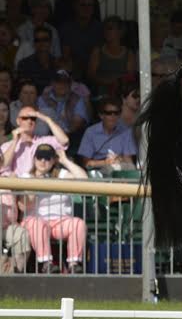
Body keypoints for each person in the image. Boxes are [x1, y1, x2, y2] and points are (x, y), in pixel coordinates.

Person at [20, 143, 88, 273]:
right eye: (40, 158)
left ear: (54, 160)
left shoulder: (61, 174)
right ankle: (46, 263)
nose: (43, 161)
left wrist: (65, 161)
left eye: (48, 158)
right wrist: (37, 182)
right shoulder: (26, 177)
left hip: (60, 222)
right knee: (37, 224)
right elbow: (25, 206)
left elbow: (84, 179)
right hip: (35, 221)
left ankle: (74, 264)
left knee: (78, 224)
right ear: (34, 159)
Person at [0, 105, 69, 177]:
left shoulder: (44, 141)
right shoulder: (7, 145)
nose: (29, 121)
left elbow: (64, 140)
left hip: (38, 185)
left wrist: (47, 119)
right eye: (25, 118)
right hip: (16, 185)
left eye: (33, 118)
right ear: (18, 121)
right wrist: (15, 141)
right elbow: (3, 166)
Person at [77, 97, 137, 173]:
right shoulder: (91, 132)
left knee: (131, 168)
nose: (113, 116)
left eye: (116, 113)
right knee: (109, 169)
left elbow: (128, 160)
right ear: (101, 115)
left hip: (119, 169)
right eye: (109, 113)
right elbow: (86, 163)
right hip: (97, 170)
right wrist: (105, 163)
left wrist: (121, 161)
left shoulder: (126, 131)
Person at [87, 16, 136, 99]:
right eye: (105, 29)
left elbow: (130, 76)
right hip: (101, 94)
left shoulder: (129, 53)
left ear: (120, 31)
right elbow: (91, 75)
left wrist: (118, 84)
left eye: (110, 28)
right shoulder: (97, 51)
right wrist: (109, 82)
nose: (106, 31)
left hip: (122, 93)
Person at [59, 0, 104, 80]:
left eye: (90, 5)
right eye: (83, 5)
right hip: (74, 71)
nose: (86, 8)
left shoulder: (100, 28)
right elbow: (66, 55)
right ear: (75, 7)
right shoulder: (66, 28)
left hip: (96, 70)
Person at [37, 70, 88, 142]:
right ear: (52, 83)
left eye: (65, 83)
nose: (62, 85)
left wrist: (62, 135)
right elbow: (40, 121)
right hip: (45, 135)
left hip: (69, 136)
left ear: (70, 85)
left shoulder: (77, 99)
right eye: (58, 82)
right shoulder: (43, 98)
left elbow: (77, 123)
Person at [16, 24, 59, 92]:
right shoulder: (24, 64)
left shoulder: (58, 63)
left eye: (45, 39)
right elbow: (24, 90)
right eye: (37, 40)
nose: (41, 42)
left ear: (51, 41)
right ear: (34, 43)